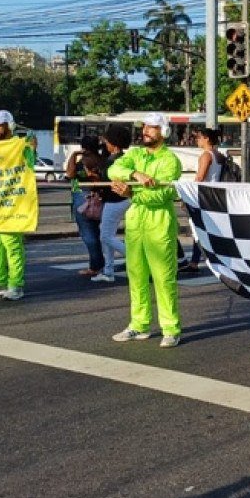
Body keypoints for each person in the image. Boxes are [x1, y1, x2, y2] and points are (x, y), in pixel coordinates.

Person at [106, 112, 183, 346]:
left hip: (159, 224)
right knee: (136, 276)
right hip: (135, 223)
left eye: (152, 128)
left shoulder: (170, 160)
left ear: (164, 132)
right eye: (145, 127)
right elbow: (113, 170)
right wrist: (134, 174)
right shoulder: (136, 155)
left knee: (163, 277)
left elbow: (163, 194)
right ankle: (139, 325)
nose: (146, 131)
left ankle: (171, 328)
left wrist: (131, 193)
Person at [0, 110, 33, 301]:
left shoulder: (20, 145)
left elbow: (29, 167)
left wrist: (31, 149)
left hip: (11, 205)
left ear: (9, 126)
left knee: (12, 245)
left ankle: (16, 285)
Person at [180, 126, 224, 273]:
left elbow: (200, 177)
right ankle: (195, 261)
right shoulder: (218, 155)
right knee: (204, 229)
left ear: (206, 139)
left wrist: (188, 196)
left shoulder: (206, 155)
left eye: (199, 137)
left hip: (204, 197)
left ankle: (195, 262)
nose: (196, 140)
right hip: (214, 196)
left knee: (199, 229)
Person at [92, 124, 132, 283]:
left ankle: (133, 256)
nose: (105, 144)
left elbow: (104, 181)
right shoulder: (126, 158)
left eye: (107, 141)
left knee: (105, 236)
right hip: (124, 200)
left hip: (114, 200)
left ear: (113, 144)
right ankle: (108, 271)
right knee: (108, 235)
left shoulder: (111, 161)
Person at [65, 137, 106, 277]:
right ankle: (100, 262)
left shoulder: (84, 162)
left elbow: (70, 174)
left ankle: (96, 265)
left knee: (88, 234)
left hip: (84, 198)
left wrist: (74, 155)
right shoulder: (102, 160)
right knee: (96, 233)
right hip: (100, 199)